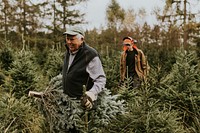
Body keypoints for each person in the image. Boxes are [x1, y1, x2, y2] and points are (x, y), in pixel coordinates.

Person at [62, 26, 106, 110]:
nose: (69, 42)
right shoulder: (68, 52)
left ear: (81, 39)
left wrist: (91, 95)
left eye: (72, 39)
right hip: (68, 103)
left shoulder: (90, 55)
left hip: (82, 105)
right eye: (67, 39)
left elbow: (101, 79)